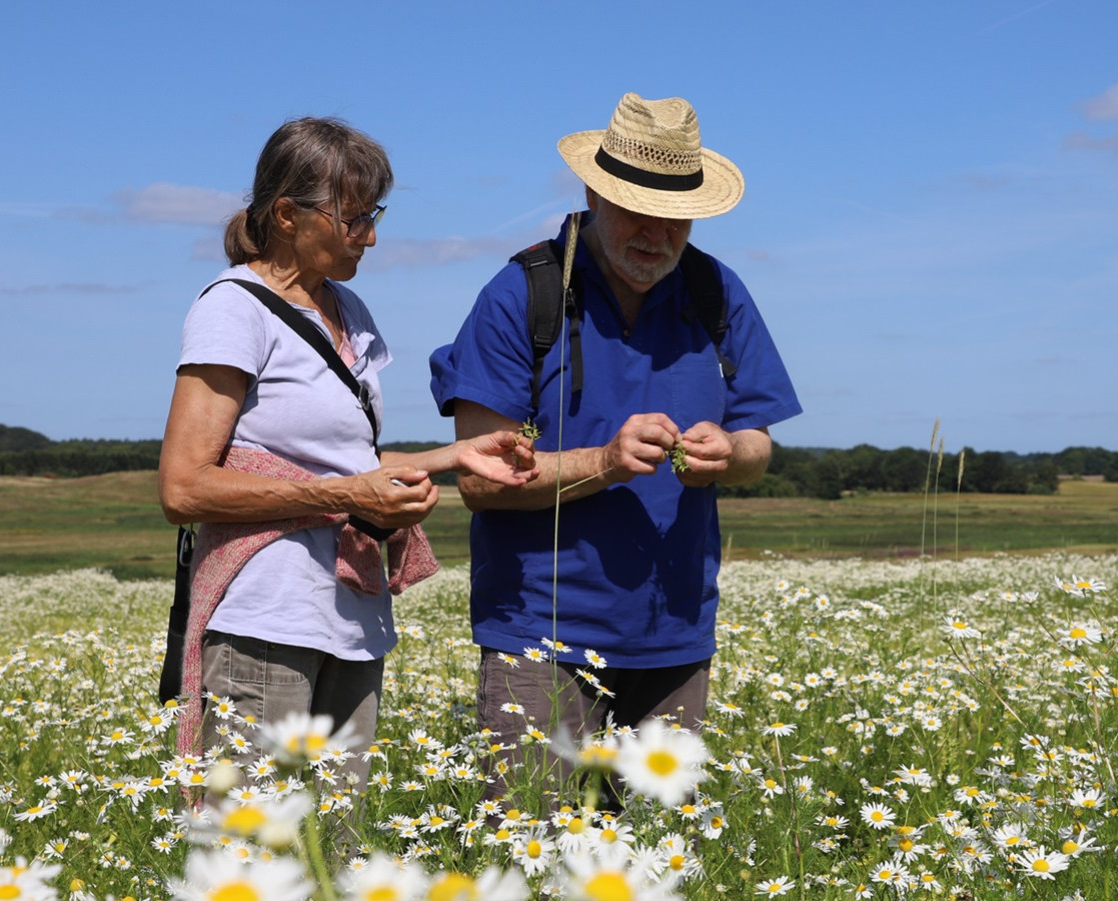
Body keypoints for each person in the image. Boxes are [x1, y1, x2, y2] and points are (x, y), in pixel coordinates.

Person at [429, 93, 802, 808]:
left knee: (659, 874)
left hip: (677, 641)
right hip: (543, 637)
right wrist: (604, 461)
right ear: (595, 191)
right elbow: (477, 474)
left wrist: (731, 450)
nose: (657, 235)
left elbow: (759, 441)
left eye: (676, 216)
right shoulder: (522, 295)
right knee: (535, 874)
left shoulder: (715, 290)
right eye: (637, 209)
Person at [158, 117, 535, 799]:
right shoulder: (233, 309)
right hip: (265, 620)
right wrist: (350, 498)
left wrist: (457, 454)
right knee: (246, 856)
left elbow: (346, 459)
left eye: (373, 215)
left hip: (350, 620)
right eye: (353, 218)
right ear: (285, 215)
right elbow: (184, 487)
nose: (370, 236)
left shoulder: (349, 309)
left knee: (335, 852)